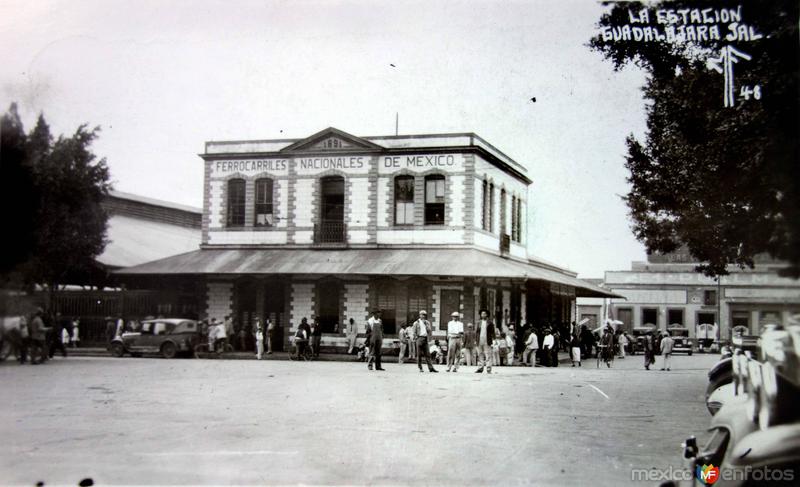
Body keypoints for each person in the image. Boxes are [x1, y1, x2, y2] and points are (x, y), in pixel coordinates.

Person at [474, 309, 495, 374]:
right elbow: (476, 332)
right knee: (480, 354)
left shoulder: (490, 323)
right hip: (479, 340)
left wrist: (493, 340)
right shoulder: (478, 323)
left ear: (487, 315)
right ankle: (480, 368)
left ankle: (488, 368)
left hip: (487, 340)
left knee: (488, 354)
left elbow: (492, 332)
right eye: (482, 314)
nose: (483, 315)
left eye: (484, 314)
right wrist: (475, 340)